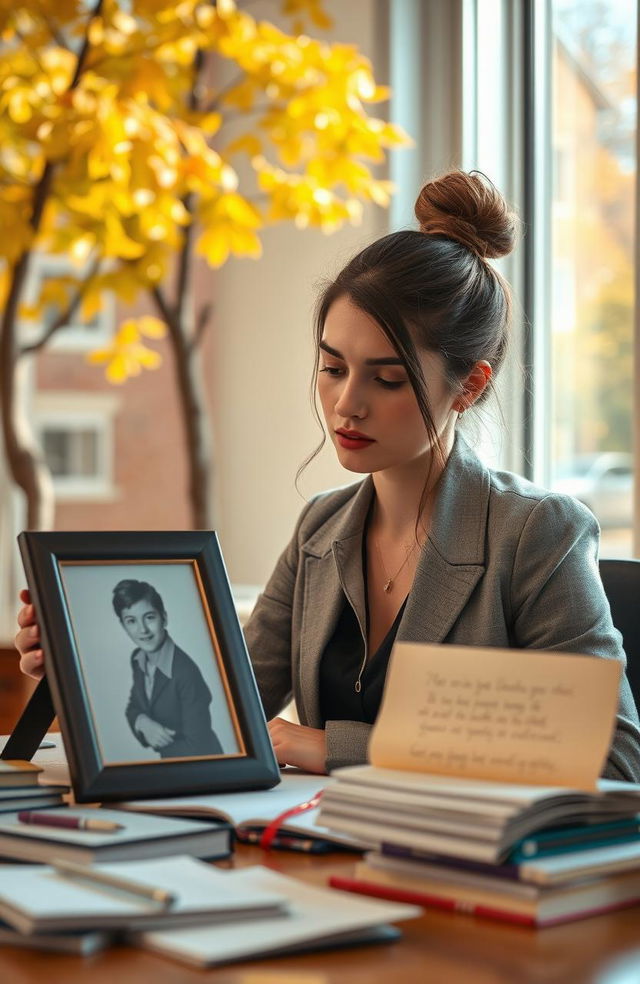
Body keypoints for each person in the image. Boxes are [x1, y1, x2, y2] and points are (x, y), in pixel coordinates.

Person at [15, 170, 640, 781]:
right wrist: (84, 667)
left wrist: (333, 747)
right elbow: (222, 715)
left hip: (468, 874)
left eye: (387, 379)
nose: (347, 404)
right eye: (333, 368)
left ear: (469, 386)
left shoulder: (534, 533)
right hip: (317, 856)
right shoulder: (322, 527)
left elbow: (614, 759)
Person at [114, 578, 223, 758]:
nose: (142, 630)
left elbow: (198, 746)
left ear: (164, 618)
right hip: (172, 767)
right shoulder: (138, 659)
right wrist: (142, 722)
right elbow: (134, 707)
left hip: (203, 770)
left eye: (149, 617)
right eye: (131, 621)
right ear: (123, 626)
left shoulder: (185, 672)